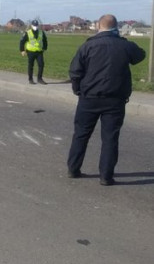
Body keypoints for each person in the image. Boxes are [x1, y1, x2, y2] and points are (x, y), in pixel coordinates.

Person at [66, 14, 145, 186]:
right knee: (110, 138)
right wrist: (121, 40)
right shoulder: (124, 45)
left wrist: (78, 89)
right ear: (116, 27)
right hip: (115, 99)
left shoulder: (88, 46)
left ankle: (73, 168)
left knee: (81, 134)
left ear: (98, 27)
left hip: (89, 98)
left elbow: (75, 70)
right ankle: (106, 176)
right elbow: (140, 55)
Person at [19, 20, 48, 84]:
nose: (35, 27)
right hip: (30, 52)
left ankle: (39, 79)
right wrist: (22, 50)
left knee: (41, 65)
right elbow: (22, 42)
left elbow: (45, 40)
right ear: (32, 25)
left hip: (39, 51)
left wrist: (45, 48)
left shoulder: (41, 32)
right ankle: (30, 79)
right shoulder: (28, 33)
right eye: (34, 25)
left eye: (36, 25)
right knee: (31, 65)